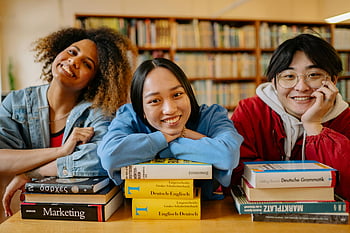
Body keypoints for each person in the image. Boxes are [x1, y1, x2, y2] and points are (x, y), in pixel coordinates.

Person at [0, 27, 137, 216]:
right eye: (72, 52)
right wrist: (61, 152)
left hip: (75, 215)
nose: (73, 61)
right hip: (17, 214)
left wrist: (30, 174)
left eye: (87, 64)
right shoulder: (15, 103)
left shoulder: (97, 113)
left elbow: (102, 158)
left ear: (94, 80)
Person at [97, 58, 243, 200]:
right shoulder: (129, 116)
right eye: (154, 101)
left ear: (189, 93)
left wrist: (158, 147)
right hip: (140, 212)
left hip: (205, 213)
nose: (170, 110)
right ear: (141, 109)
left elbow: (228, 155)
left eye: (177, 95)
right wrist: (164, 138)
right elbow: (110, 156)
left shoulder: (212, 116)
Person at [230, 33, 350, 200]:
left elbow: (346, 187)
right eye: (289, 76)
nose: (301, 87)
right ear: (274, 83)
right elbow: (235, 173)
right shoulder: (251, 111)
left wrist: (314, 125)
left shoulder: (346, 119)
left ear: (333, 80)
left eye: (314, 75)